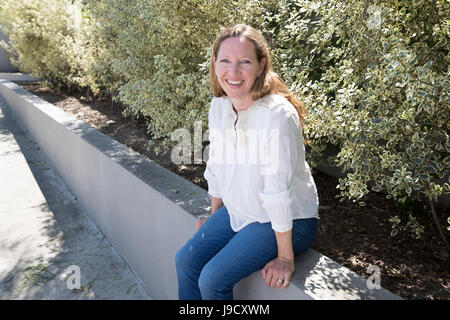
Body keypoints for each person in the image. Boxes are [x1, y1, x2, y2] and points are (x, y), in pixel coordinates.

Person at [175, 24, 319, 300]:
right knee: (185, 260)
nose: (233, 71)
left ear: (261, 65)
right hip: (241, 209)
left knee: (212, 279)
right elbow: (216, 169)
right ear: (215, 63)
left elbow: (277, 193)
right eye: (225, 61)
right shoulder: (219, 107)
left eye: (245, 62)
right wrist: (215, 217)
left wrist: (285, 258)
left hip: (289, 218)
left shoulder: (277, 115)